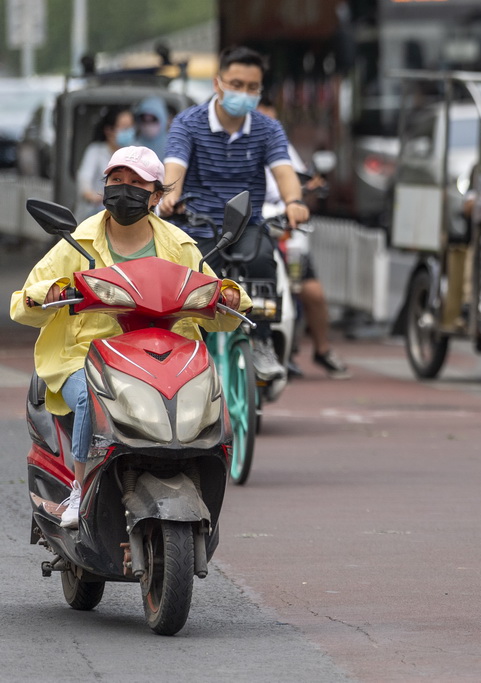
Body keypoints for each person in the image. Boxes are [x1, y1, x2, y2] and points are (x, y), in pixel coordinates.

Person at [10, 146, 250, 529]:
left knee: (206, 397)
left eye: (137, 183)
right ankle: (81, 488)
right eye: (117, 180)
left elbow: (221, 313)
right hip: (84, 357)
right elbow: (22, 305)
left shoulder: (180, 246)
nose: (125, 189)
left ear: (156, 196)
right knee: (91, 396)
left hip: (166, 359)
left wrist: (231, 296)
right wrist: (48, 293)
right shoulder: (77, 242)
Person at [158, 46, 310, 382]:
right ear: (218, 83)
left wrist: (294, 202)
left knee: (263, 261)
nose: (244, 93)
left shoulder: (268, 129)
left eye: (252, 87)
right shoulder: (188, 123)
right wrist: (169, 198)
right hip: (197, 226)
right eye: (236, 84)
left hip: (246, 225)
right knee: (191, 284)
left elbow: (284, 172)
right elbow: (174, 168)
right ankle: (183, 349)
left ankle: (262, 341)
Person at [255, 98, 350, 379]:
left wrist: (302, 195)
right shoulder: (232, 144)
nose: (268, 126)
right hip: (251, 232)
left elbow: (299, 182)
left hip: (284, 235)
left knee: (312, 293)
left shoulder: (279, 144)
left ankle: (320, 349)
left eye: (272, 121)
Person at [75, 107, 135, 217]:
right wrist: (96, 198)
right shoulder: (95, 151)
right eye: (124, 127)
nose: (129, 131)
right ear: (109, 130)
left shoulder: (135, 152)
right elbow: (84, 182)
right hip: (94, 213)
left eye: (131, 127)